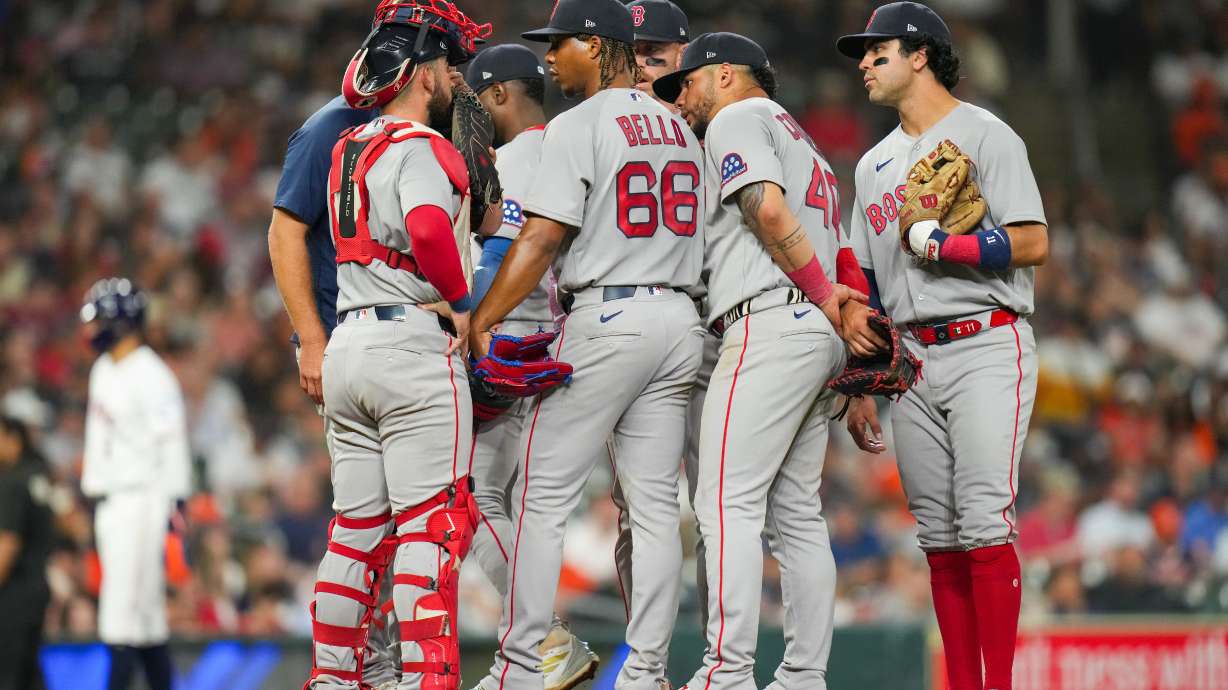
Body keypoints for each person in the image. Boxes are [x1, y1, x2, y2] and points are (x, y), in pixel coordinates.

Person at [468, 1, 704, 688]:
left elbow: (540, 240)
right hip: (678, 319)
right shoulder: (678, 124)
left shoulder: (576, 124)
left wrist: (484, 317)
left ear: (598, 46)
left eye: (561, 44)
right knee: (655, 505)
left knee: (540, 499)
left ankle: (522, 664)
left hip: (608, 316)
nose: (549, 59)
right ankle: (647, 672)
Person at [835, 4, 1050, 689]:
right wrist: (864, 382)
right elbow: (865, 283)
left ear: (921, 53)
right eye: (862, 55)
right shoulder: (872, 167)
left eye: (878, 51)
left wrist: (949, 244)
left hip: (987, 340)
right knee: (938, 536)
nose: (863, 63)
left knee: (986, 521)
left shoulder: (987, 135)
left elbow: (1035, 241)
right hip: (910, 361)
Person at [655, 32, 864, 690]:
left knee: (724, 505)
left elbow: (766, 209)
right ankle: (803, 677)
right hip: (813, 332)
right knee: (796, 511)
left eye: (686, 82)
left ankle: (726, 673)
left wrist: (826, 299)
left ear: (723, 76)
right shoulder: (802, 142)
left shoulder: (738, 118)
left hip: (774, 316)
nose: (681, 97)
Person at [302, 2, 489, 688]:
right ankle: (425, 680)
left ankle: (332, 677)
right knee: (429, 528)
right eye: (445, 64)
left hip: (349, 341)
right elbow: (433, 233)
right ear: (422, 73)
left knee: (354, 530)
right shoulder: (418, 147)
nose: (451, 78)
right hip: (410, 343)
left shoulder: (346, 148)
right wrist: (464, 303)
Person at [464, 43, 599, 690]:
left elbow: (500, 250)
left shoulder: (513, 159)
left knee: (473, 496)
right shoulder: (575, 145)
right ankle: (530, 650)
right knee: (519, 505)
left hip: (509, 337)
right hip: (560, 335)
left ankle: (539, 640)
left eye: (474, 102)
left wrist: (474, 325)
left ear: (499, 96)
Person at [80, 278, 192, 690]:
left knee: (121, 618)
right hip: (110, 503)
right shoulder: (104, 369)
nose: (91, 330)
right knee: (144, 619)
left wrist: (173, 511)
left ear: (121, 322)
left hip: (141, 500)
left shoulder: (153, 375)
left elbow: (173, 448)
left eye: (99, 321)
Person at [0, 416, 54, 690]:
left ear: (13, 439)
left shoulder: (11, 483)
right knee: (30, 672)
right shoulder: (37, 476)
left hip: (12, 594)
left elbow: (7, 545)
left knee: (7, 673)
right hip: (37, 588)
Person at [627, 0, 690, 108]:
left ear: (682, 55)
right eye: (627, 51)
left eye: (651, 49)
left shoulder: (705, 121)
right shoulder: (598, 118)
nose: (636, 63)